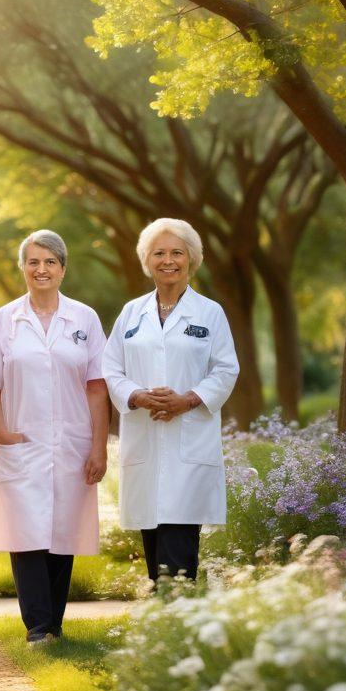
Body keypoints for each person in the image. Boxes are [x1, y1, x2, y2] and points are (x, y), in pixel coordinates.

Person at [0, 230, 109, 644]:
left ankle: (54, 626)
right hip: (23, 441)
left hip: (72, 442)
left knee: (64, 530)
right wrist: (1, 432)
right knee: (25, 532)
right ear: (23, 268)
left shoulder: (84, 319)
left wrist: (98, 446)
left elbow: (97, 386)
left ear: (63, 269)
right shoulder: (4, 320)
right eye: (33, 261)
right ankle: (37, 627)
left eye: (50, 262)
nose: (41, 269)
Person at [102, 217, 239, 584]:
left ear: (191, 258)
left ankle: (173, 607)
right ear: (147, 260)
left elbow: (226, 369)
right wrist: (138, 396)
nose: (168, 261)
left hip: (188, 441)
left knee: (178, 536)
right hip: (145, 437)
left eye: (177, 253)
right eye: (158, 253)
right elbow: (110, 368)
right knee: (152, 533)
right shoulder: (131, 313)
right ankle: (164, 607)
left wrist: (188, 400)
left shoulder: (209, 313)